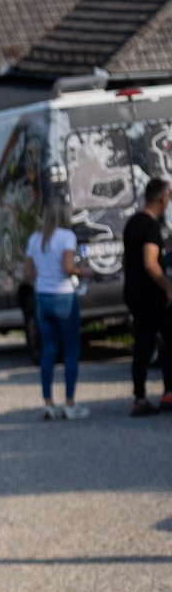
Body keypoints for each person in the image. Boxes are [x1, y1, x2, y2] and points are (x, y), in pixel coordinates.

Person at [22, 195, 87, 420]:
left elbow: (27, 272)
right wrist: (82, 271)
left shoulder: (35, 238)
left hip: (43, 297)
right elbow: (68, 268)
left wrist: (43, 274)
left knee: (48, 350)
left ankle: (48, 402)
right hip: (64, 296)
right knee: (71, 349)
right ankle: (69, 402)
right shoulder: (67, 236)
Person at [122, 176, 171, 416]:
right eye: (169, 196)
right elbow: (150, 263)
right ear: (162, 198)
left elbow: (127, 261)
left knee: (142, 345)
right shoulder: (150, 226)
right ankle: (169, 393)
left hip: (133, 293)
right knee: (170, 339)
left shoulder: (132, 223)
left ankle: (139, 398)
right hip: (152, 296)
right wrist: (168, 287)